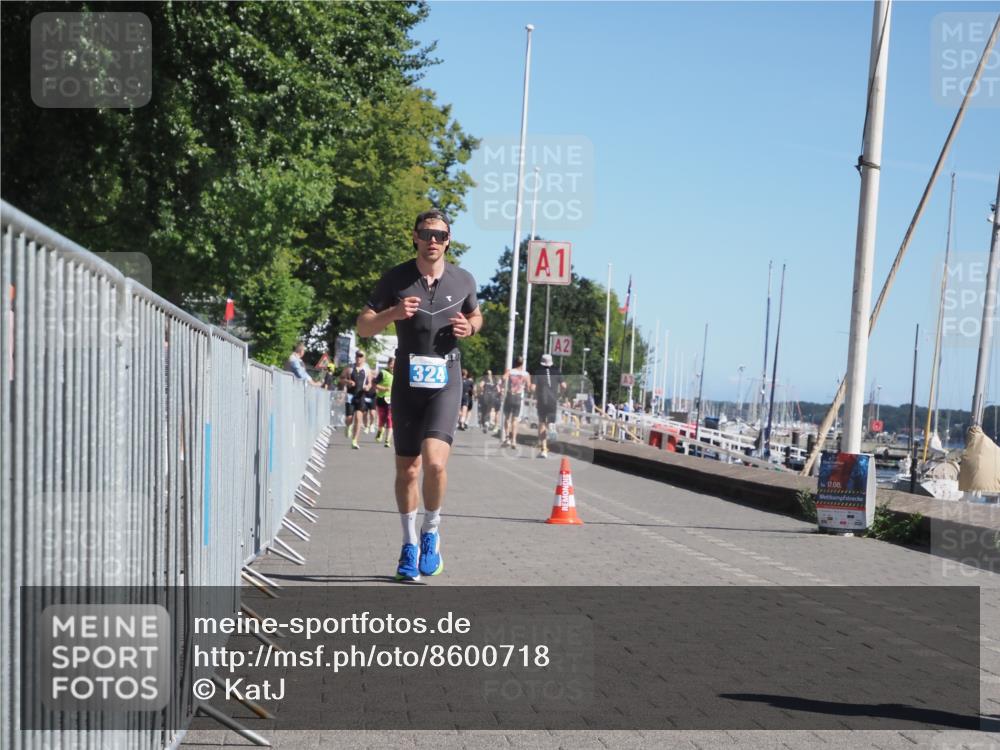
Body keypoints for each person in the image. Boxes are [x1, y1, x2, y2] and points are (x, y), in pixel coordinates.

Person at [356, 209, 482, 581]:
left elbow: (476, 316)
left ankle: (431, 531)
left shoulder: (463, 279)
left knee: (435, 463)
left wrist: (470, 328)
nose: (433, 241)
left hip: (446, 380)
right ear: (414, 236)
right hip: (407, 383)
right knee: (408, 470)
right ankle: (409, 544)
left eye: (440, 235)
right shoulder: (396, 279)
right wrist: (393, 313)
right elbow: (363, 327)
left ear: (448, 241)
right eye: (426, 234)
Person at [531, 353, 566, 458]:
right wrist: (560, 395)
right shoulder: (557, 371)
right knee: (549, 421)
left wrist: (535, 395)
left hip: (542, 400)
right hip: (553, 400)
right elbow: (564, 385)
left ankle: (544, 450)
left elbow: (532, 388)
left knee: (542, 424)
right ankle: (551, 426)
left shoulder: (538, 372)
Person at [338, 350, 370, 449]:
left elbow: (370, 383)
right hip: (350, 396)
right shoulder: (349, 368)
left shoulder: (367, 369)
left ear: (364, 358)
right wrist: (348, 381)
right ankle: (348, 426)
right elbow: (341, 379)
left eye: (361, 356)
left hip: (361, 396)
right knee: (349, 418)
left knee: (358, 418)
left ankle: (354, 441)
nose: (358, 358)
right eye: (357, 355)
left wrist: (367, 387)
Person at [501, 356, 530, 449]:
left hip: (510, 396)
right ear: (522, 363)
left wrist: (504, 384)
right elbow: (529, 387)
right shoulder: (526, 374)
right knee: (515, 419)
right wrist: (523, 386)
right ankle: (514, 440)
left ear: (515, 362)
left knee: (507, 417)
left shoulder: (510, 371)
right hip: (518, 397)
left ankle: (507, 438)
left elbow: (503, 378)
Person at [375, 357, 395, 448]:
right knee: (382, 418)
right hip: (381, 398)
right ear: (388, 364)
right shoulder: (383, 373)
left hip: (392, 400)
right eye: (391, 364)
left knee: (389, 418)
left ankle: (387, 440)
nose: (392, 366)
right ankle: (380, 431)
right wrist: (384, 388)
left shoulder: (398, 374)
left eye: (394, 365)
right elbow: (375, 384)